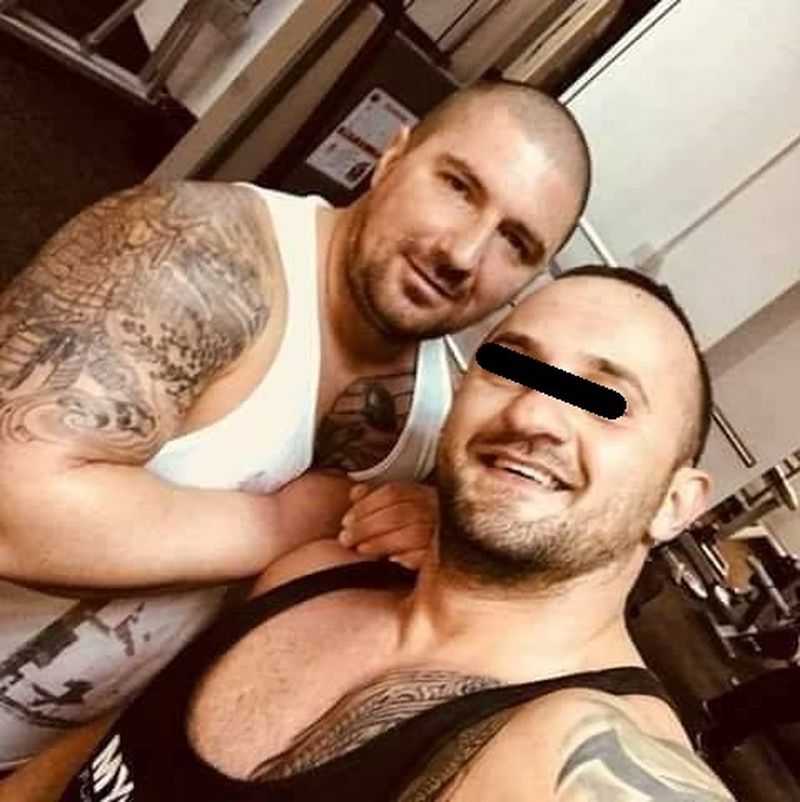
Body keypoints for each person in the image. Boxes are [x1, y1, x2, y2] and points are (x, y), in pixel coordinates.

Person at [0, 80, 591, 766]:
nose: (463, 254)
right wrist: (284, 523)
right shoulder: (196, 250)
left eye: (514, 242)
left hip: (61, 761)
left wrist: (421, 535)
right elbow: (13, 512)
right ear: (392, 156)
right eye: (458, 187)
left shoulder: (435, 419)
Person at [0, 266, 735, 801]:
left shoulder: (582, 750)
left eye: (604, 401)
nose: (534, 413)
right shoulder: (311, 573)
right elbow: (94, 760)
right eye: (512, 367)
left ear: (677, 504)